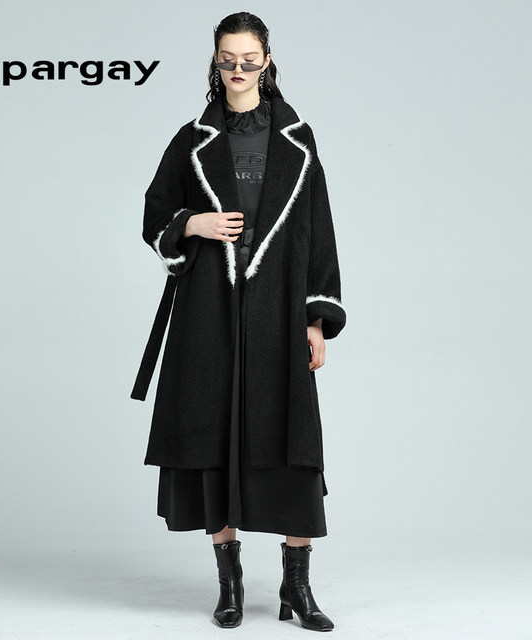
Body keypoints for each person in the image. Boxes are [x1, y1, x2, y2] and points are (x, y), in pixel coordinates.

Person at [130, 11, 347, 631]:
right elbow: (155, 214)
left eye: (249, 59)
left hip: (279, 306)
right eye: (227, 59)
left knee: (292, 440)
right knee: (212, 435)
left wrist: (316, 319)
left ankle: (296, 588)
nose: (238, 69)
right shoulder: (192, 138)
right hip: (208, 308)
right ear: (215, 62)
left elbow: (318, 230)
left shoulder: (298, 140)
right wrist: (193, 224)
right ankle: (230, 585)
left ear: (267, 62)